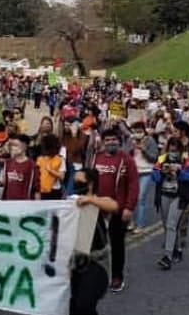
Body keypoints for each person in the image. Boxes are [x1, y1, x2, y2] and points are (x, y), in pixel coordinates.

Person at [93, 128, 138, 293]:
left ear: (119, 141)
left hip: (117, 210)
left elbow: (133, 185)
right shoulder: (96, 158)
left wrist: (129, 207)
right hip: (97, 208)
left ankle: (117, 277)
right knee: (96, 245)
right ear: (103, 142)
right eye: (108, 140)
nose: (111, 142)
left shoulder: (127, 160)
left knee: (117, 245)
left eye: (114, 139)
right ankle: (96, 276)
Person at [69, 168, 117, 315]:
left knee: (84, 305)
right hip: (75, 263)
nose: (76, 184)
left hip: (96, 262)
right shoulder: (70, 202)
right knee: (73, 307)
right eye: (75, 181)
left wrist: (90, 200)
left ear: (90, 184)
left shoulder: (98, 203)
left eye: (79, 181)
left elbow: (113, 206)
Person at [153, 138, 189, 269]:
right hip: (164, 194)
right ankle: (177, 248)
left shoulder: (186, 160)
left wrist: (178, 171)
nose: (173, 152)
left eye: (175, 149)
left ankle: (167, 256)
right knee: (167, 225)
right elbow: (154, 176)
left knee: (172, 224)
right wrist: (162, 172)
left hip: (179, 196)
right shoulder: (161, 159)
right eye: (171, 149)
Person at [129, 121, 159, 229]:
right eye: (135, 131)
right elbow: (125, 154)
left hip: (146, 171)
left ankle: (140, 224)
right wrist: (131, 149)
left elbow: (154, 158)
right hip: (133, 172)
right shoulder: (130, 140)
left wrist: (144, 150)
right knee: (131, 198)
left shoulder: (150, 141)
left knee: (141, 198)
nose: (138, 134)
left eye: (139, 131)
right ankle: (131, 222)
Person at [0, 135, 40, 200]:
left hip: (24, 204)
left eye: (16, 145)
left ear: (24, 146)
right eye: (12, 146)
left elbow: (37, 189)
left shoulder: (32, 166)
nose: (13, 148)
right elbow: (4, 183)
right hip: (8, 203)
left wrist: (37, 206)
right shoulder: (8, 163)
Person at [36, 133, 67, 199]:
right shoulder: (40, 159)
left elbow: (62, 176)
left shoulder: (60, 159)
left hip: (55, 190)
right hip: (42, 190)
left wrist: (51, 171)